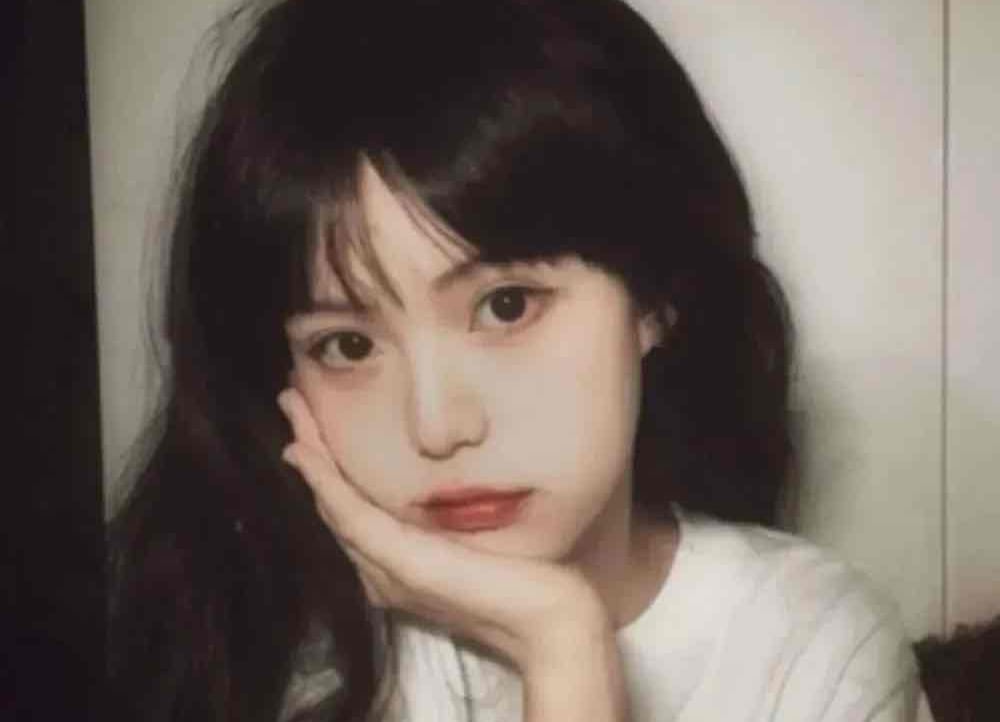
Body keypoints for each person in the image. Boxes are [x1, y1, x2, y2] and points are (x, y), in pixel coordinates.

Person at [107, 0, 925, 720]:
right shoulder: (268, 658)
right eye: (347, 345)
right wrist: (561, 641)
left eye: (506, 306)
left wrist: (566, 651)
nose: (438, 427)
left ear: (653, 294)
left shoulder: (813, 653)